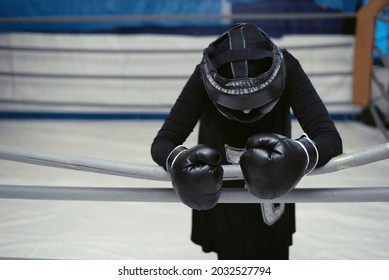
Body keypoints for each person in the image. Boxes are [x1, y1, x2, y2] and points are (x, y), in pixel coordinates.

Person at [150, 23, 342, 260]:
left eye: (256, 98)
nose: (248, 109)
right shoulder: (204, 75)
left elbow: (329, 137)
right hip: (221, 192)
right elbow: (164, 141)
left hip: (275, 186)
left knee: (272, 260)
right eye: (236, 101)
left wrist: (301, 154)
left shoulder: (287, 67)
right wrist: (177, 159)